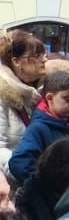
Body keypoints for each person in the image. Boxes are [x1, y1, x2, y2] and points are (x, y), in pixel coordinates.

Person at [7, 70, 69, 186]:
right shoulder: (38, 129)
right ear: (50, 98)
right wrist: (41, 188)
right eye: (67, 98)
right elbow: (19, 162)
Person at [0, 33, 47, 168]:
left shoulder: (47, 90)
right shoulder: (2, 95)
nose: (44, 60)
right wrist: (25, 170)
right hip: (15, 182)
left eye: (44, 54)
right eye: (37, 56)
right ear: (17, 62)